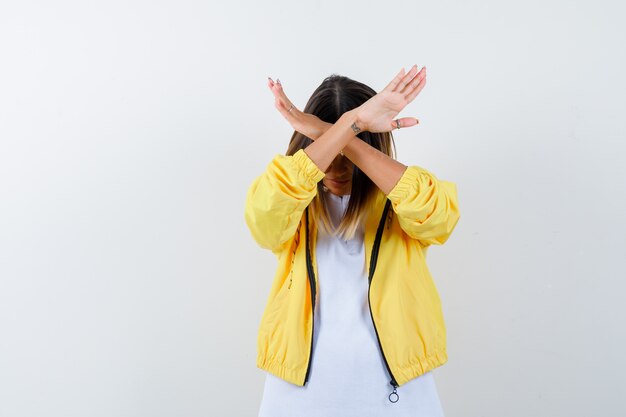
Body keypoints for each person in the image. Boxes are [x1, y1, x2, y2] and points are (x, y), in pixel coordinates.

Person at [244, 65, 461, 417]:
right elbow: (263, 218)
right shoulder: (291, 200)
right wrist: (351, 125)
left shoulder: (399, 197)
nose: (337, 168)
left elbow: (439, 217)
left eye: (352, 144)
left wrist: (341, 135)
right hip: (298, 394)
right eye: (323, 144)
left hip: (400, 392)